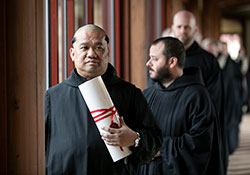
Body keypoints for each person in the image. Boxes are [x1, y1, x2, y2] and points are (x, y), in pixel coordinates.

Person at [45, 24, 162, 175]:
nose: (92, 54)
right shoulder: (53, 96)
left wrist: (134, 138)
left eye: (99, 48)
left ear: (108, 52)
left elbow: (156, 141)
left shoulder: (130, 93)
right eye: (84, 48)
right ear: (72, 54)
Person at [137, 37, 224, 175]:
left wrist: (155, 147)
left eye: (154, 59)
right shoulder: (147, 95)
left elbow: (200, 145)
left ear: (172, 61)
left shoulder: (198, 97)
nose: (148, 63)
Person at [171, 10, 228, 173]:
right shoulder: (164, 59)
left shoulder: (208, 61)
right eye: (179, 26)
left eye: (187, 27)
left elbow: (213, 100)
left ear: (195, 30)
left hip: (198, 131)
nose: (183, 31)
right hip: (170, 132)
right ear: (173, 28)